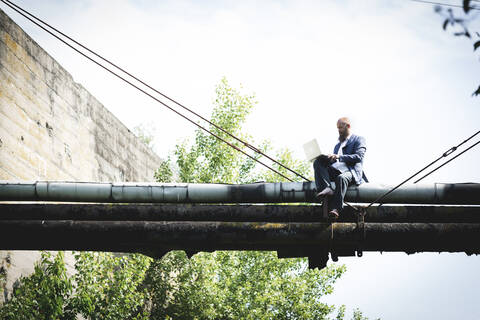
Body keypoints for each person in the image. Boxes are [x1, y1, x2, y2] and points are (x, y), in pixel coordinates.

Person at [313, 117, 367, 219]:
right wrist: (328, 158)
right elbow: (336, 161)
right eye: (337, 128)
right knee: (318, 162)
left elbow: (359, 157)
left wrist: (339, 157)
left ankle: (336, 209)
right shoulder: (338, 145)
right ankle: (326, 188)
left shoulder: (359, 139)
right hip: (337, 170)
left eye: (341, 128)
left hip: (351, 171)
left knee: (341, 178)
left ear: (348, 126)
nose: (339, 131)